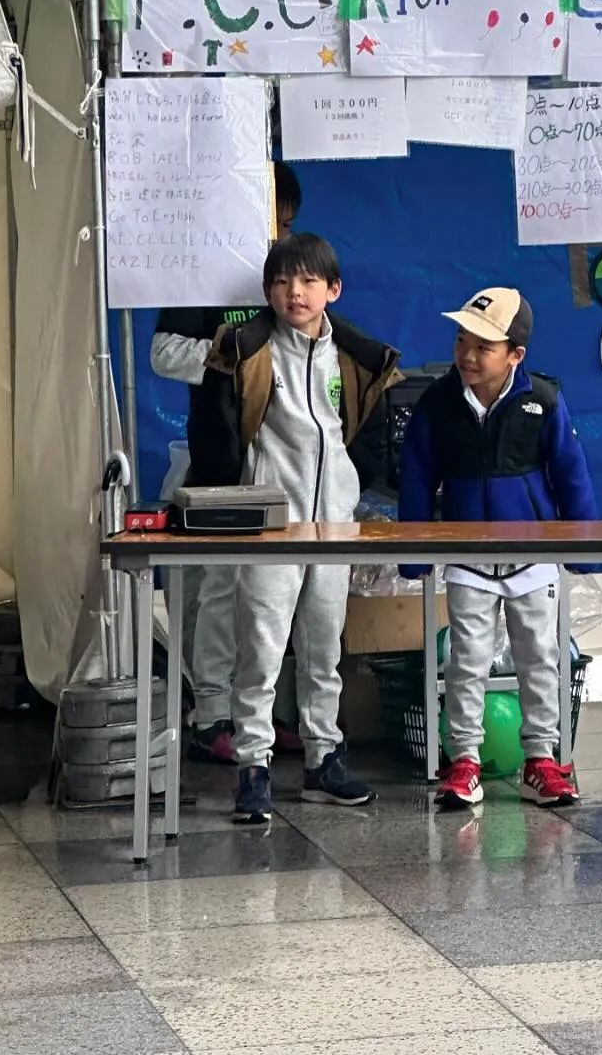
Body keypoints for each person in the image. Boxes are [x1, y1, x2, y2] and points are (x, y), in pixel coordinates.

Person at [199, 231, 402, 824]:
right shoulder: (248, 349)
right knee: (260, 653)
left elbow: (362, 434)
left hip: (334, 524)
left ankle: (323, 761)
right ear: (267, 290)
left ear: (332, 290)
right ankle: (253, 769)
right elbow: (218, 432)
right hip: (270, 526)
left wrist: (350, 490)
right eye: (284, 281)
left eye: (310, 280)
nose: (296, 291)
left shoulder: (355, 356)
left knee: (322, 650)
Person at [399, 288, 598, 812]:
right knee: (466, 662)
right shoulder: (438, 403)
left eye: (484, 345)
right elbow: (416, 479)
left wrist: (580, 546)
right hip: (467, 558)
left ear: (516, 355)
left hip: (533, 558)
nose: (467, 354)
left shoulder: (544, 401)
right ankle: (463, 762)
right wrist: (414, 553)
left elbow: (571, 474)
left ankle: (541, 760)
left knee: (541, 659)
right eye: (462, 339)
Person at [150, 161, 305, 765]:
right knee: (218, 587)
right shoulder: (206, 272)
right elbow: (162, 352)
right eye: (270, 219)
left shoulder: (297, 278)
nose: (277, 233)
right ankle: (211, 714)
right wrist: (220, 356)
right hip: (220, 456)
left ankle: (263, 714)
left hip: (284, 459)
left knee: (275, 589)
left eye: (286, 223)